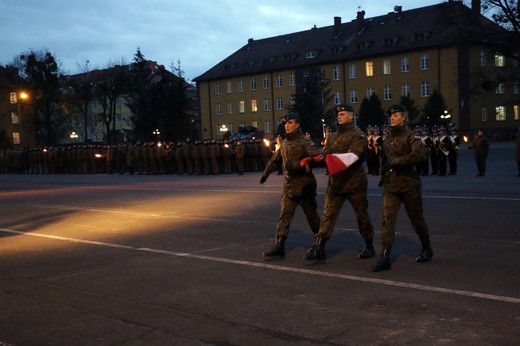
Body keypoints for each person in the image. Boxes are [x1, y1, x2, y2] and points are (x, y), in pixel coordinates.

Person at [304, 104, 375, 261]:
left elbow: (355, 156)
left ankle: (369, 245)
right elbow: (325, 155)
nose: (339, 116)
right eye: (338, 114)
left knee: (362, 215)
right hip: (336, 184)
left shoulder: (358, 136)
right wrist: (313, 159)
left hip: (354, 183)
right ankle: (320, 246)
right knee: (328, 215)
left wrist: (329, 159)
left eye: (342, 114)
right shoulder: (333, 137)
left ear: (351, 116)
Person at [373, 104, 433, 272]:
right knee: (387, 221)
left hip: (409, 184)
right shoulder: (388, 139)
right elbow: (384, 161)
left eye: (396, 115)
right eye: (391, 116)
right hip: (391, 185)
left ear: (404, 117)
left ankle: (427, 247)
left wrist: (397, 162)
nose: (392, 118)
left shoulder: (411, 136)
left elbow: (419, 154)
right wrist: (383, 173)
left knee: (416, 219)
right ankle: (385, 256)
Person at [260, 112, 322, 257]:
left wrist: (300, 164)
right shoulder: (285, 143)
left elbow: (316, 157)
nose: (287, 126)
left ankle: (320, 242)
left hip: (304, 185)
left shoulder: (305, 142)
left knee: (311, 215)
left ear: (298, 124)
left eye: (290, 123)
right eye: (286, 123)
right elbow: (274, 160)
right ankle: (279, 244)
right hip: (289, 186)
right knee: (285, 215)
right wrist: (265, 174)